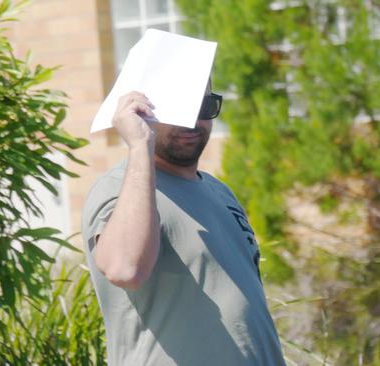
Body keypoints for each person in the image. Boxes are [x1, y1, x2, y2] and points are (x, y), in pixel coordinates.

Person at [81, 83, 286, 366]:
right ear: (142, 111)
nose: (191, 120)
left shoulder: (220, 192)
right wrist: (140, 145)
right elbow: (124, 269)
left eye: (203, 106)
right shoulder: (119, 188)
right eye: (178, 107)